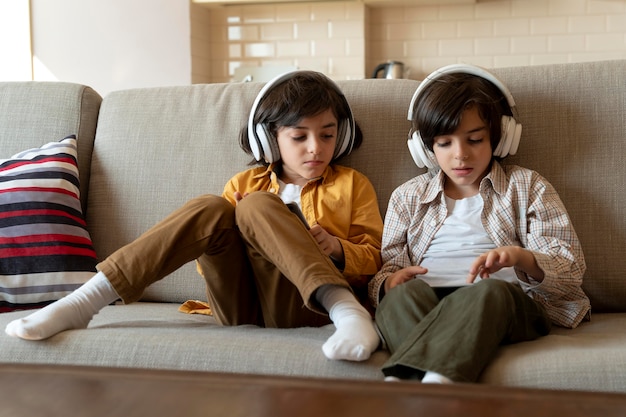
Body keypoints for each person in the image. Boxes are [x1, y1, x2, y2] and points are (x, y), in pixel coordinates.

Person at [6, 70, 384, 362]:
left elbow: (374, 259)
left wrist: (336, 249)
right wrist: (240, 227)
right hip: (238, 306)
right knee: (215, 206)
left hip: (304, 308)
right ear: (269, 139)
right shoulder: (245, 181)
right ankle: (83, 302)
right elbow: (207, 263)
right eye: (299, 137)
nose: (315, 148)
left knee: (256, 205)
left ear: (343, 136)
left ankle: (345, 310)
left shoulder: (352, 184)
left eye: (328, 135)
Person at [369, 64, 591, 383]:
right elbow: (387, 271)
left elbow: (570, 270)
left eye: (474, 139)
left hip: (504, 303)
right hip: (429, 305)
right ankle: (433, 380)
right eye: (445, 143)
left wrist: (519, 257)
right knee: (399, 299)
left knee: (489, 291)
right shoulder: (407, 197)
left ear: (500, 139)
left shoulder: (527, 186)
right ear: (425, 147)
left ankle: (409, 378)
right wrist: (390, 284)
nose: (460, 155)